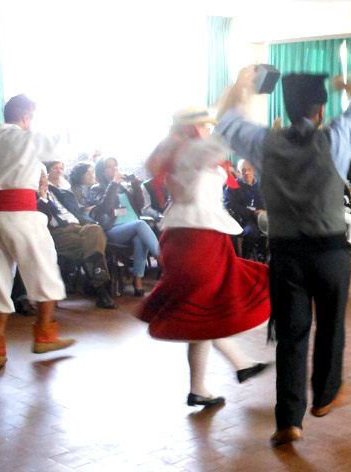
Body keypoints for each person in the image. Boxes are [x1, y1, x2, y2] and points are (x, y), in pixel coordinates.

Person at [217, 68, 351, 447]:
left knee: (291, 337)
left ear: (287, 110)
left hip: (286, 255)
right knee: (331, 326)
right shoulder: (334, 139)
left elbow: (226, 120)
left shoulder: (266, 144)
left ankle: (288, 421)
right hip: (330, 251)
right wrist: (348, 86)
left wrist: (240, 85)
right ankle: (324, 394)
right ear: (320, 110)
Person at [139, 107, 271, 407]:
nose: (208, 130)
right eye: (204, 125)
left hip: (196, 238)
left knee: (203, 311)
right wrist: (240, 95)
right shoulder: (190, 153)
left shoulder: (181, 152)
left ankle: (206, 384)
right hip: (196, 239)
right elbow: (224, 140)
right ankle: (239, 364)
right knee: (209, 305)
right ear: (192, 128)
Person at [0, 94, 76, 369]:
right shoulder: (28, 138)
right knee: (44, 272)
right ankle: (44, 334)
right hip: (22, 215)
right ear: (26, 117)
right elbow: (64, 141)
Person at [37, 167, 116, 309]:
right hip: (57, 232)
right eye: (40, 176)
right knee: (93, 243)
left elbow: (78, 211)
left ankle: (99, 286)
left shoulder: (59, 192)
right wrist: (42, 198)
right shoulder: (34, 197)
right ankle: (101, 288)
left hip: (79, 226)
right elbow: (39, 219)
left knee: (95, 229)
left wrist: (89, 221)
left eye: (44, 175)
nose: (44, 179)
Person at [89, 157, 160, 296]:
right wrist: (113, 183)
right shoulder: (96, 189)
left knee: (140, 238)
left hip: (133, 226)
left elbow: (139, 207)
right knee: (141, 224)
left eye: (115, 165)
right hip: (113, 229)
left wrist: (135, 187)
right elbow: (105, 207)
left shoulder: (123, 187)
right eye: (109, 167)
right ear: (101, 171)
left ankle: (137, 281)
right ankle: (162, 257)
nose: (114, 169)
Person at [224, 159, 268, 261]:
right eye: (243, 170)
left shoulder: (262, 186)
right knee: (251, 232)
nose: (247, 173)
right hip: (241, 219)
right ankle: (245, 259)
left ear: (254, 171)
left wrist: (263, 211)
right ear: (238, 172)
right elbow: (228, 204)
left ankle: (262, 254)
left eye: (249, 169)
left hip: (262, 219)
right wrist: (251, 212)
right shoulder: (232, 185)